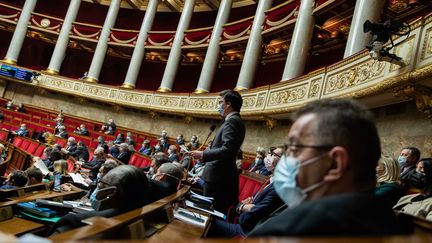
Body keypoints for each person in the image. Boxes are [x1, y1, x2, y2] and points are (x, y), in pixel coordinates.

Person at [248, 98, 412, 237]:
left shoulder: (286, 232)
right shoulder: (387, 219)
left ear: (335, 164)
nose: (287, 158)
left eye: (296, 148)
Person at [206, 147, 284, 238]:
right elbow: (252, 200)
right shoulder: (271, 181)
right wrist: (248, 203)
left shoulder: (278, 187)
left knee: (210, 223)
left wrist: (241, 206)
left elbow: (256, 209)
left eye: (274, 154)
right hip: (243, 221)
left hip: (247, 231)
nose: (268, 156)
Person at [49, 165, 149, 235]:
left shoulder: (72, 223)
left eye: (100, 185)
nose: (97, 188)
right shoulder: (145, 219)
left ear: (112, 192)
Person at [191, 90, 245, 213]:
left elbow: (228, 149)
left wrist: (204, 154)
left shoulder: (232, 121)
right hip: (220, 176)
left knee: (208, 213)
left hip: (218, 178)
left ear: (228, 104)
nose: (219, 105)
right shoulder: (235, 120)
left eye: (221, 102)